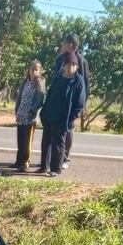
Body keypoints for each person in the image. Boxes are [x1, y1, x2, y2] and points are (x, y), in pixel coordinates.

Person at [37, 52, 85, 177]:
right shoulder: (58, 76)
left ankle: (55, 169)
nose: (71, 67)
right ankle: (44, 166)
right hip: (50, 114)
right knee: (46, 142)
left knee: (58, 143)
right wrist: (44, 111)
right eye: (69, 64)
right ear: (64, 65)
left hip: (63, 117)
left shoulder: (78, 81)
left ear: (77, 67)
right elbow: (51, 93)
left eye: (74, 65)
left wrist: (72, 118)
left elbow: (79, 104)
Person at [54, 34, 90, 168]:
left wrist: (81, 105)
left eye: (64, 42)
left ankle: (65, 157)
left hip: (72, 103)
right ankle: (56, 157)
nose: (61, 45)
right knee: (56, 128)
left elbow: (85, 84)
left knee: (68, 128)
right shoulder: (60, 59)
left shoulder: (81, 60)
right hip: (58, 101)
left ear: (70, 45)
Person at [13, 59, 45, 172]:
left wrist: (32, 110)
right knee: (20, 139)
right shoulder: (25, 81)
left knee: (27, 142)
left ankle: (25, 162)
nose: (35, 72)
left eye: (37, 70)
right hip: (21, 115)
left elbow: (40, 99)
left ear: (40, 71)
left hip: (30, 117)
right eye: (33, 69)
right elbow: (20, 97)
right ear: (29, 70)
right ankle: (19, 160)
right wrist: (17, 110)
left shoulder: (40, 82)